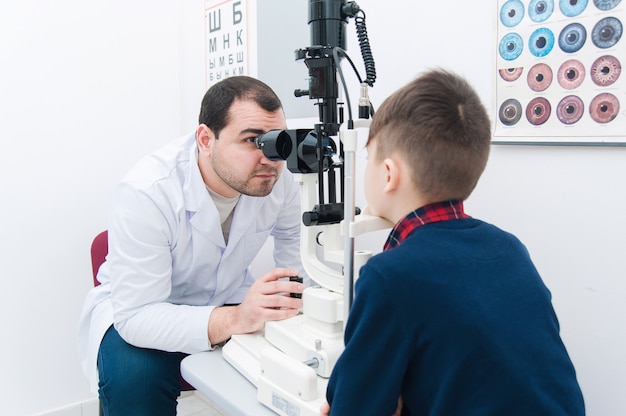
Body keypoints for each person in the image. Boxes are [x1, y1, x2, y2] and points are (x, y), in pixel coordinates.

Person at [321, 69, 585, 415]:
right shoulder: (509, 248)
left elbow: (349, 408)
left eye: (369, 158)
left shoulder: (390, 275)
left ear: (388, 174)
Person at [78, 76, 307, 416]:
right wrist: (236, 318)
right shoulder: (147, 191)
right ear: (205, 139)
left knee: (294, 364)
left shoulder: (278, 180)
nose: (270, 158)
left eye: (276, 141)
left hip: (224, 293)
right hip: (142, 309)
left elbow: (298, 267)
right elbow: (139, 315)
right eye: (252, 140)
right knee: (136, 383)